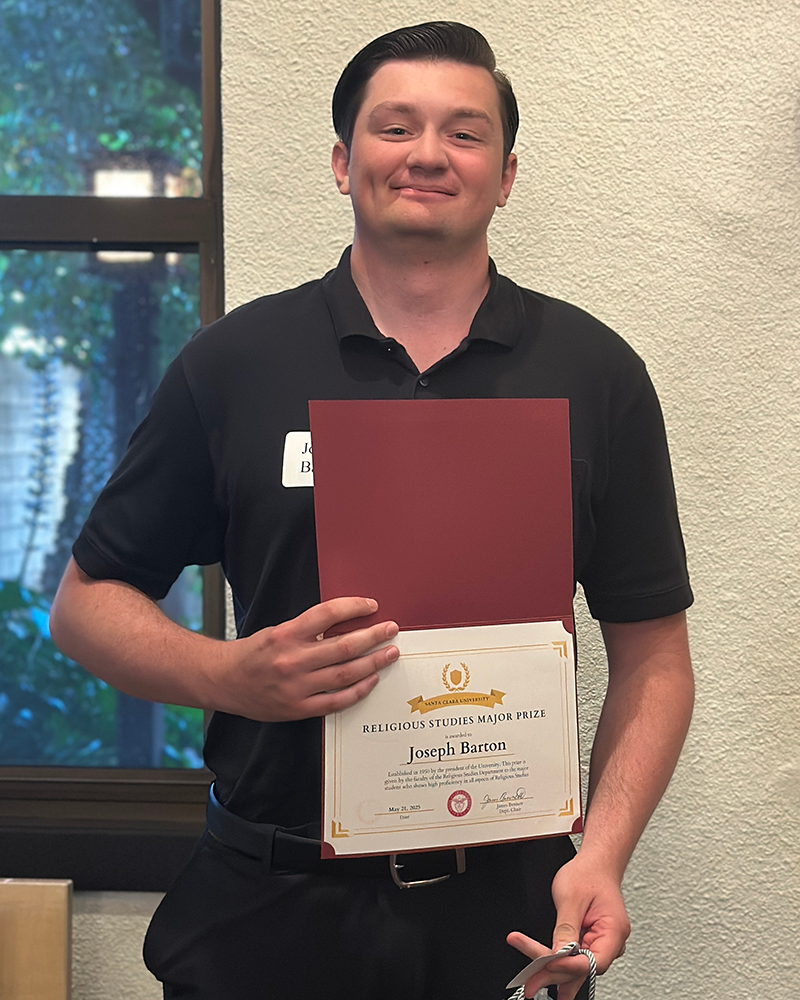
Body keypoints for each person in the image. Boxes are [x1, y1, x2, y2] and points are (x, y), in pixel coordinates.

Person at [50, 21, 694, 1000]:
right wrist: (232, 676)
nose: (428, 153)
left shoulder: (595, 375)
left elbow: (654, 657)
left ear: (505, 175)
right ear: (342, 162)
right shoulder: (234, 365)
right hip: (269, 908)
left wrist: (602, 853)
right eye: (396, 127)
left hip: (508, 913)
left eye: (464, 133)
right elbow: (85, 605)